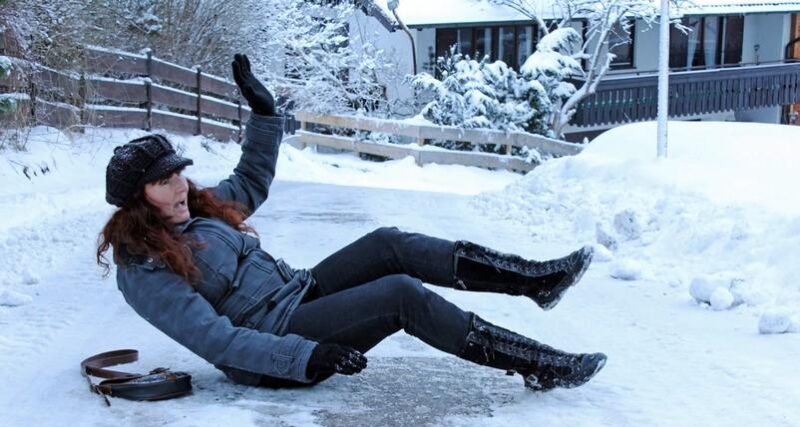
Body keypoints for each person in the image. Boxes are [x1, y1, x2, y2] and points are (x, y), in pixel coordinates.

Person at [97, 54, 607, 393]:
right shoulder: (143, 268)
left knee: (388, 243)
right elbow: (216, 341)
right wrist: (306, 355)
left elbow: (250, 180)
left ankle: (534, 281)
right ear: (138, 200)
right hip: (273, 345)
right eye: (165, 182)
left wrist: (265, 114)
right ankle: (539, 364)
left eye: (181, 174)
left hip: (298, 294)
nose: (182, 185)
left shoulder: (195, 212)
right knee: (400, 294)